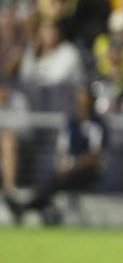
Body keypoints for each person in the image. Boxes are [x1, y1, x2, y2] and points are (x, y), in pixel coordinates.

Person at [4, 86, 106, 225]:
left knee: (54, 182)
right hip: (69, 169)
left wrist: (74, 164)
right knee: (54, 181)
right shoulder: (71, 122)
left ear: (90, 99)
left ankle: (27, 208)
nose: (80, 99)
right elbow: (62, 148)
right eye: (79, 96)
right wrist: (63, 163)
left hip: (89, 170)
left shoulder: (97, 123)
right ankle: (45, 210)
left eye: (83, 96)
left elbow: (96, 154)